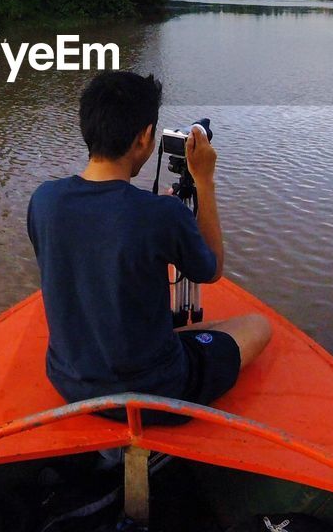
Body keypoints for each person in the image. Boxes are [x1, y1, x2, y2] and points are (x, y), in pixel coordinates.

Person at [27, 70, 271, 415]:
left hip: (69, 382)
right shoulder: (161, 214)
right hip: (153, 391)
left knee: (189, 331)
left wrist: (157, 209)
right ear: (144, 138)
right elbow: (211, 268)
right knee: (257, 326)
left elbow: (101, 228)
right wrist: (204, 181)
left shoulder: (44, 200)